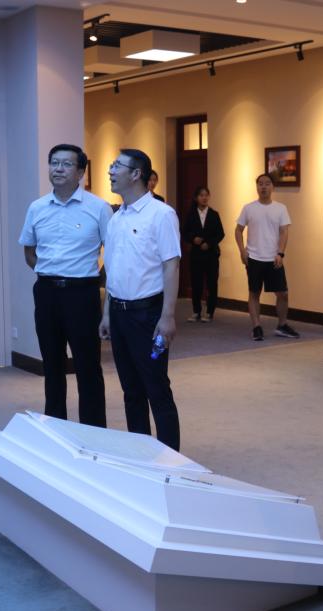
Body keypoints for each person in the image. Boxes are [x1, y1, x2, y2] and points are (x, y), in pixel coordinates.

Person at [18, 143, 112, 427]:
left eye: (67, 164)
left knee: (87, 366)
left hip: (82, 294)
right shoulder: (36, 208)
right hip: (46, 293)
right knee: (52, 364)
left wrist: (94, 282)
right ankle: (56, 428)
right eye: (54, 163)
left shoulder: (98, 208)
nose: (58, 169)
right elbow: (29, 252)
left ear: (81, 172)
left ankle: (93, 432)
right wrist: (51, 273)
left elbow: (113, 255)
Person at [99, 149, 181, 450]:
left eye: (116, 166)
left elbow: (171, 265)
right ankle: (141, 454)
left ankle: (171, 459)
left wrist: (168, 316)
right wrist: (107, 313)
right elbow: (114, 270)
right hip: (119, 313)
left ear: (136, 174)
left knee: (156, 387)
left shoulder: (161, 214)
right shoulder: (116, 218)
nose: (110, 171)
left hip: (148, 316)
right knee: (130, 390)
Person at [235, 174, 299, 341]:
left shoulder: (280, 208)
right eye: (260, 184)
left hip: (274, 258)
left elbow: (284, 232)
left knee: (282, 293)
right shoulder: (249, 208)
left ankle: (282, 325)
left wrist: (280, 253)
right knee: (254, 293)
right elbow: (238, 230)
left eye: (267, 184)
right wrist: (242, 251)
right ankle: (256, 326)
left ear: (273, 187)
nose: (263, 187)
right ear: (257, 187)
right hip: (254, 258)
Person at [181, 186, 224, 322]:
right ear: (196, 198)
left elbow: (220, 233)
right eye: (201, 195)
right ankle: (196, 311)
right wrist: (193, 239)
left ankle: (210, 312)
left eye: (206, 195)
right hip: (196, 254)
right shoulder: (191, 214)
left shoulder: (214, 214)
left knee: (212, 283)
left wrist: (209, 243)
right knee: (196, 283)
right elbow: (184, 232)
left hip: (211, 254)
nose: (204, 198)